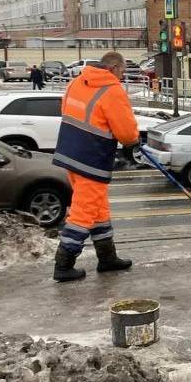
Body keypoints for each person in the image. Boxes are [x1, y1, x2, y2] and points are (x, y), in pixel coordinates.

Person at [51, 51, 140, 282]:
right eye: (122, 72)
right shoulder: (112, 90)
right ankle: (64, 263)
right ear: (113, 69)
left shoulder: (76, 83)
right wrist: (133, 142)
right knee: (84, 211)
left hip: (70, 153)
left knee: (98, 209)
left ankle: (107, 257)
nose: (122, 77)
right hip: (92, 158)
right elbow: (126, 132)